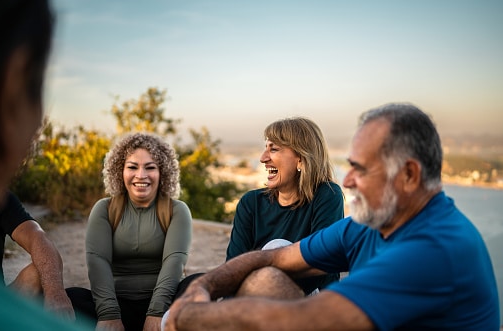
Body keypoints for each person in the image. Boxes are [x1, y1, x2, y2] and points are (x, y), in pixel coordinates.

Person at [164, 103, 500, 330]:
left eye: (359, 169)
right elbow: (276, 255)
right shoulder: (367, 226)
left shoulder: (433, 250)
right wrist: (204, 284)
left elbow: (303, 319)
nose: (347, 180)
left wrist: (195, 313)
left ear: (409, 175)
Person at [0, 0, 93, 329]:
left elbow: (38, 238)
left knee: (40, 270)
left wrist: (56, 293)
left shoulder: (2, 201)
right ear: (14, 81)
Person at [67, 132, 193, 331]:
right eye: (132, 167)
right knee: (66, 298)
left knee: (198, 285)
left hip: (165, 305)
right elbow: (97, 260)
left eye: (150, 167)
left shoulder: (176, 210)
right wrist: (108, 314)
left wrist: (156, 313)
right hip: (116, 304)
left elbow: (175, 261)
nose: (141, 175)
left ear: (163, 172)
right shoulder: (104, 208)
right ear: (120, 171)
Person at [226, 117, 344, 295]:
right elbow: (232, 269)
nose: (263, 158)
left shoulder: (327, 195)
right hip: (252, 300)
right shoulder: (251, 202)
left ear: (301, 159)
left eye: (274, 149)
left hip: (309, 303)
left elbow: (321, 263)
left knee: (277, 247)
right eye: (265, 148)